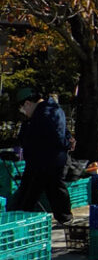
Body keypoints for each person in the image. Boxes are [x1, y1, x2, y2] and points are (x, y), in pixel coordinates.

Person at [8, 87, 73, 224]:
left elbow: (53, 137)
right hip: (51, 160)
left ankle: (20, 220)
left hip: (43, 161)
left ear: (27, 103)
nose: (24, 113)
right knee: (54, 189)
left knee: (31, 193)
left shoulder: (43, 114)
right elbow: (63, 133)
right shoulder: (53, 110)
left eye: (23, 108)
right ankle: (65, 218)